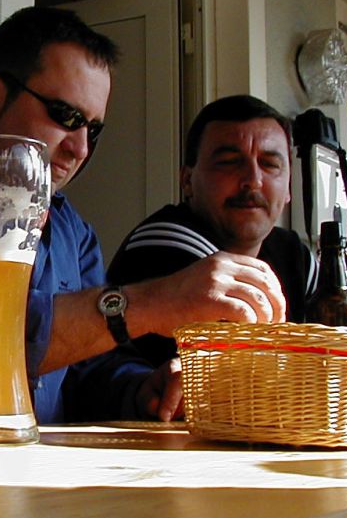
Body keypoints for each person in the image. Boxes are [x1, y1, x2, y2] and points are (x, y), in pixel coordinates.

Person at [0, 7, 286, 430]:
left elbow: (87, 372)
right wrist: (147, 302)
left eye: (93, 129)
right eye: (66, 117)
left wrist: (143, 390)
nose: (81, 149)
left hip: (31, 467)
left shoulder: (74, 231)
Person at [107, 94, 316, 367]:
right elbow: (236, 374)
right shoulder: (165, 241)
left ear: (288, 187)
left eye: (269, 164)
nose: (252, 180)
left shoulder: (295, 255)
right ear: (187, 181)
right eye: (229, 162)